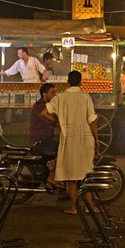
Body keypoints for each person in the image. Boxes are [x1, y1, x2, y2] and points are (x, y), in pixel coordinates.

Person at [42, 71, 99, 215]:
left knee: (72, 176)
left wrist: (58, 122)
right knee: (86, 173)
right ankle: (88, 206)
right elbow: (92, 120)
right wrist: (96, 138)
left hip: (68, 140)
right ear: (80, 82)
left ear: (67, 82)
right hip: (84, 138)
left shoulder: (60, 97)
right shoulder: (86, 97)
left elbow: (44, 112)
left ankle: (73, 207)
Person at [29, 83, 64, 191]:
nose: (55, 95)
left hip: (47, 139)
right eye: (52, 92)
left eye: (55, 92)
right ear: (44, 94)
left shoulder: (49, 106)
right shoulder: (40, 107)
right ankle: (52, 177)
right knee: (64, 150)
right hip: (40, 141)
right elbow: (52, 120)